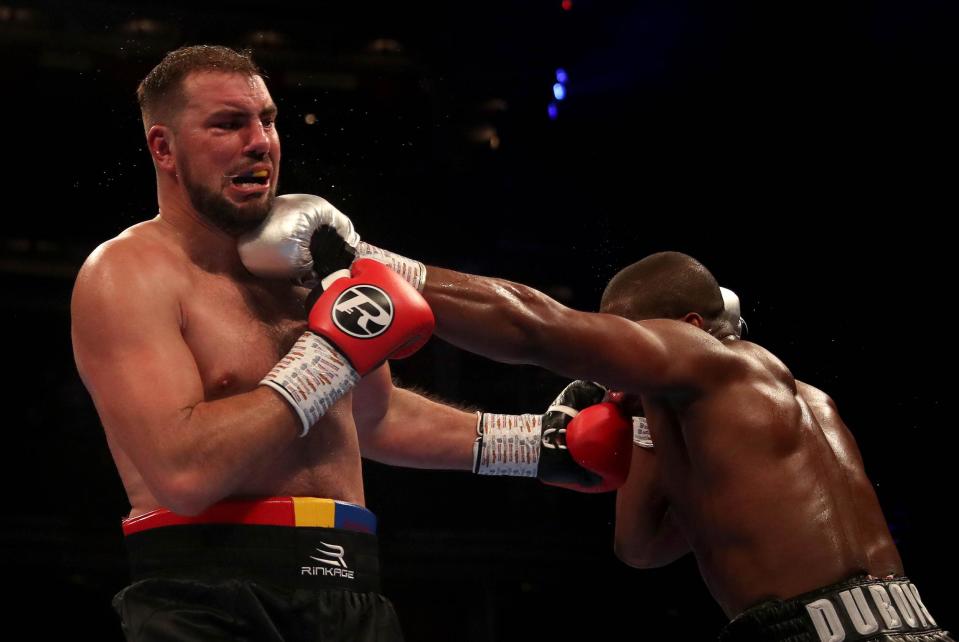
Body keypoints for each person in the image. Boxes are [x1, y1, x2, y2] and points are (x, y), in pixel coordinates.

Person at [70, 45, 630, 641]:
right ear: (163, 148)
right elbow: (185, 474)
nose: (260, 141)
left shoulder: (301, 266)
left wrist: (534, 445)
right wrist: (331, 356)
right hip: (206, 598)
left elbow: (373, 417)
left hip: (348, 586)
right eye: (228, 124)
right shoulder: (127, 274)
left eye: (268, 119)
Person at [282, 209, 950, 640]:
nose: (610, 372)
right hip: (907, 619)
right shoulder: (801, 403)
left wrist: (364, 259)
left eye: (624, 345)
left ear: (685, 330)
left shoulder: (706, 361)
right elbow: (641, 547)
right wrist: (636, 421)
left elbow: (534, 328)